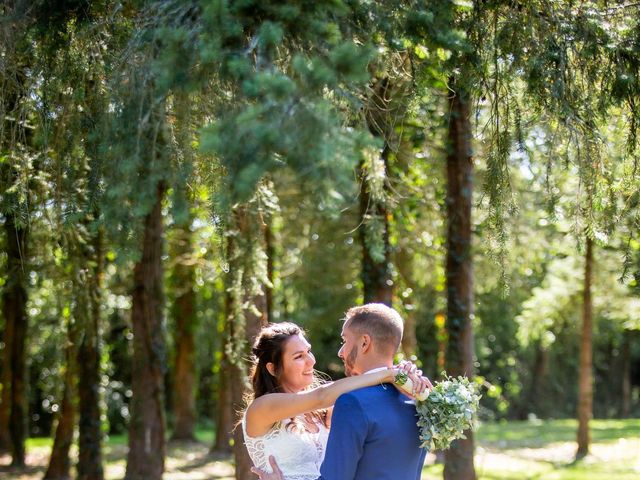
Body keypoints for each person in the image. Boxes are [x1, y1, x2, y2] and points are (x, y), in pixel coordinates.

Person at [248, 304, 431, 480]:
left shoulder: (329, 409)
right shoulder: (262, 407)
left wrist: (404, 377)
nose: (311, 361)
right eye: (298, 357)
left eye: (308, 352)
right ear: (272, 368)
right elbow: (321, 396)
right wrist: (390, 374)